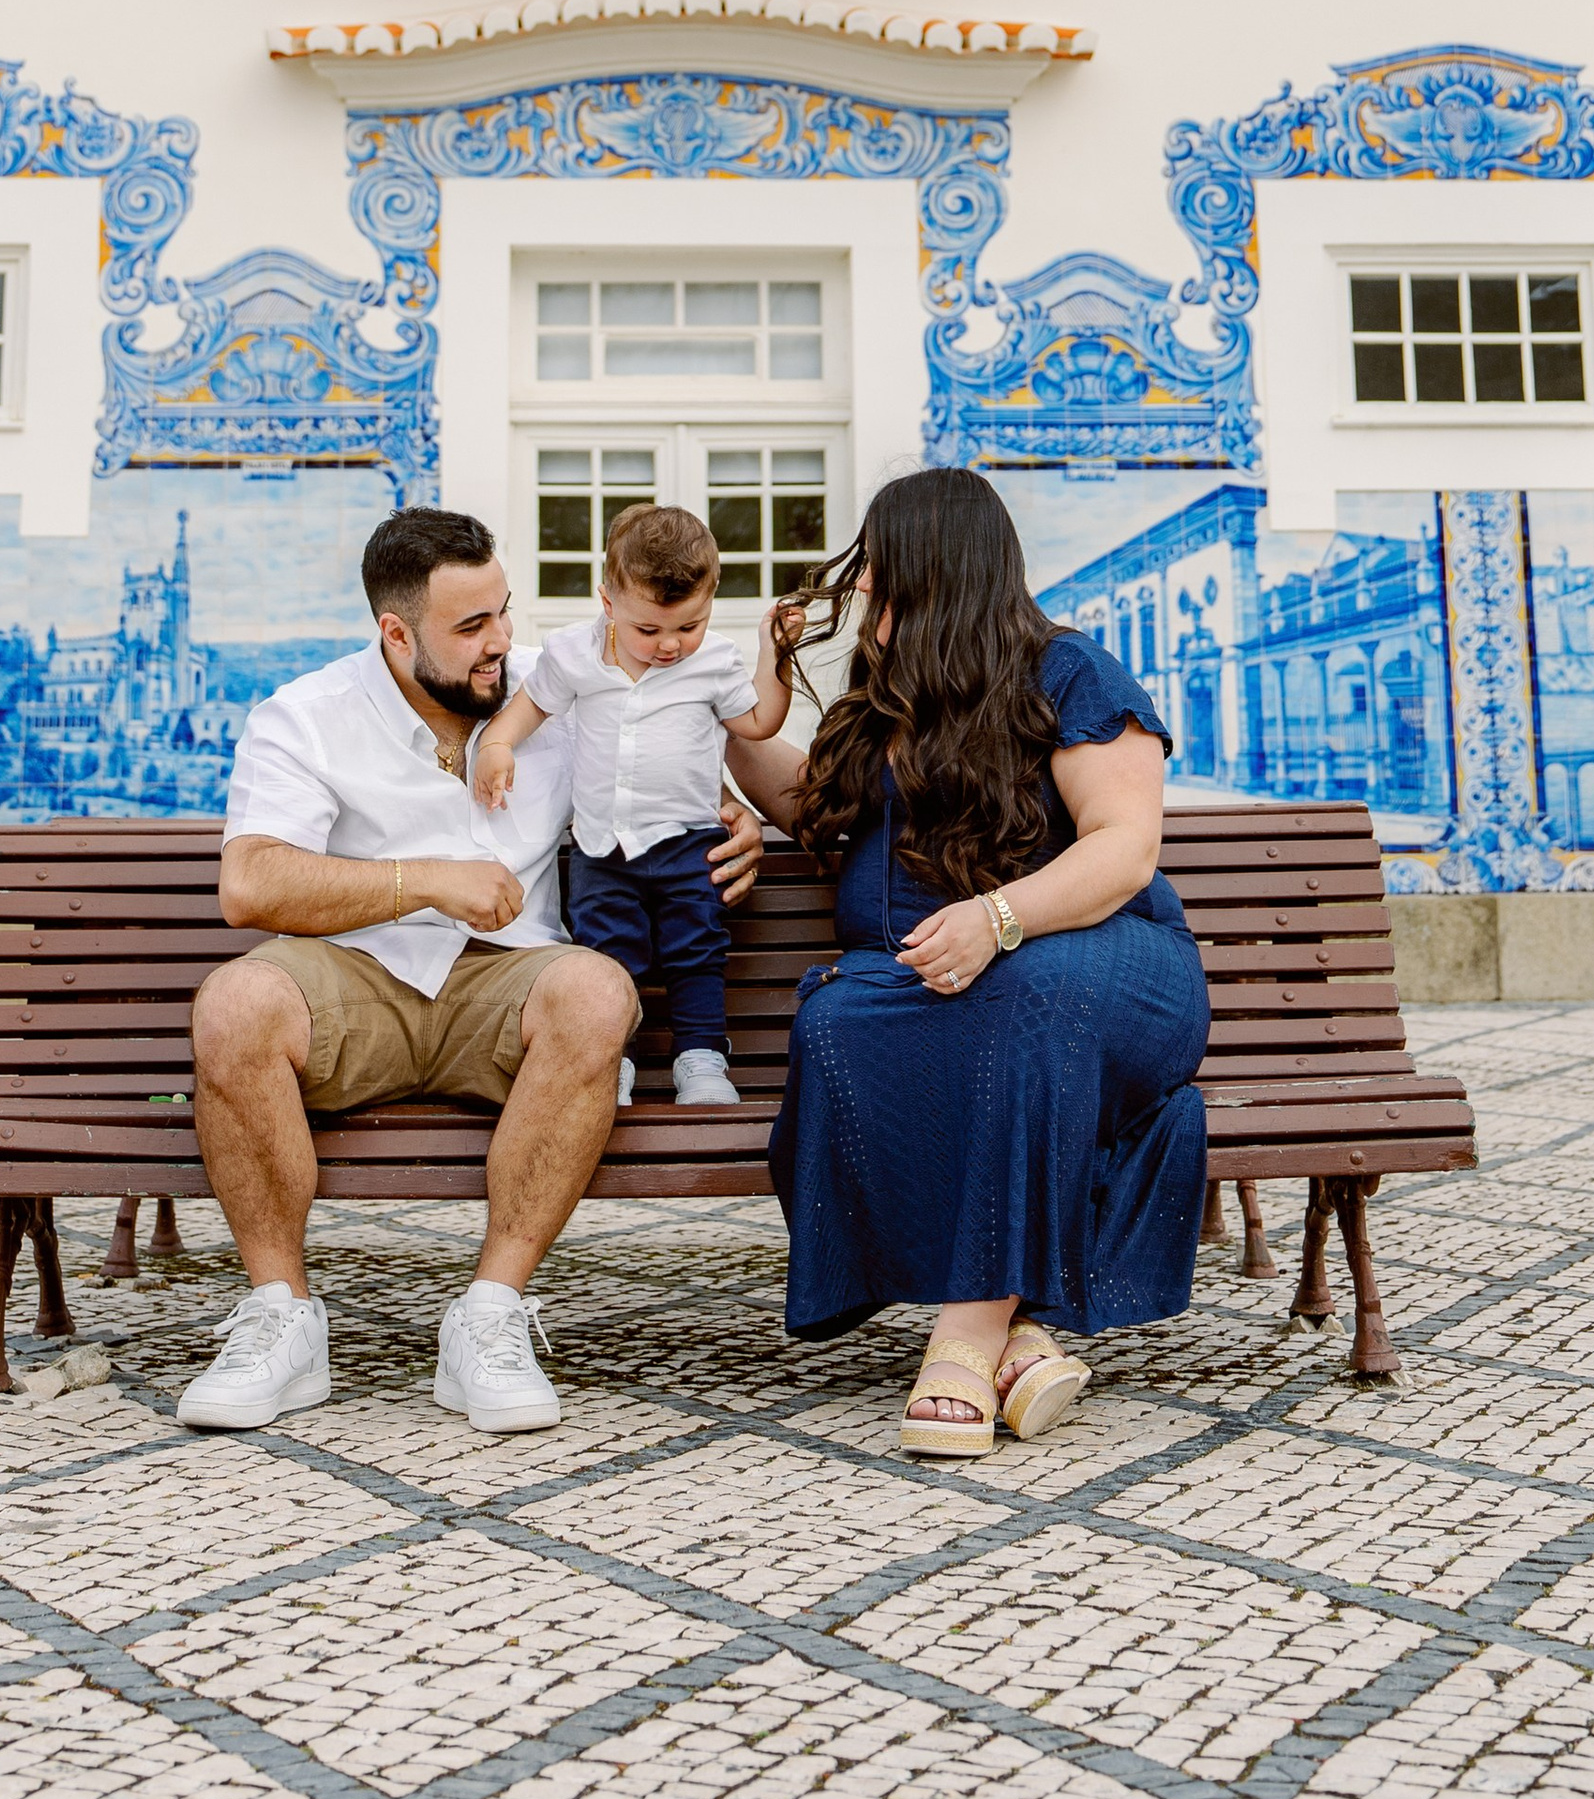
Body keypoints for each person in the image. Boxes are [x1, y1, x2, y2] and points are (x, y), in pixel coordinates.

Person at [176, 505, 764, 1439]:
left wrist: (731, 814)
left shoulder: (558, 692)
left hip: (506, 986)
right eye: (471, 627)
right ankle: (281, 1318)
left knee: (595, 989)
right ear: (396, 632)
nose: (501, 644)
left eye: (503, 612)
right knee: (236, 1001)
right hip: (354, 984)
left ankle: (489, 1314)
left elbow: (697, 759)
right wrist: (421, 883)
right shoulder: (310, 715)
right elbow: (250, 884)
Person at [728, 466, 1209, 1459]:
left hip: (1107, 975)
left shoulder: (1070, 673)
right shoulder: (887, 703)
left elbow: (1122, 849)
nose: (860, 590)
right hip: (959, 992)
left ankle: (966, 1331)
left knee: (1025, 996)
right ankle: (1020, 1340)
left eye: (878, 568)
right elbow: (801, 806)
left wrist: (998, 918)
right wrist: (742, 697)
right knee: (835, 1020)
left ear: (936, 574)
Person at [473, 500, 792, 1106]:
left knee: (696, 947)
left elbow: (758, 723)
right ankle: (611, 1058)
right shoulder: (573, 656)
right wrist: (496, 745)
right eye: (650, 630)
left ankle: (700, 1060)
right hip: (601, 844)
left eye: (689, 626)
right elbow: (528, 708)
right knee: (605, 953)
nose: (670, 645)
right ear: (607, 602)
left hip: (690, 840)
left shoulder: (714, 663)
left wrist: (774, 654)